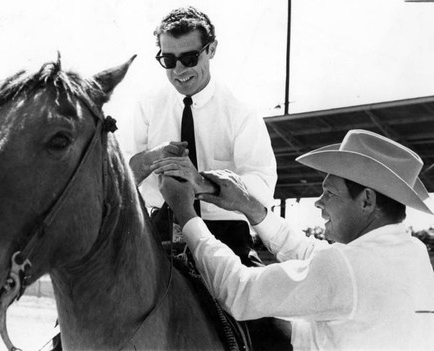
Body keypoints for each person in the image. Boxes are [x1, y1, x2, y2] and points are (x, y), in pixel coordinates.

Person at [159, 129, 434, 350]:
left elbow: (239, 292)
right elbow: (314, 255)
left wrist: (186, 214)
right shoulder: (414, 253)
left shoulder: (346, 266)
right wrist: (250, 207)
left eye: (330, 193)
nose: (319, 203)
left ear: (367, 200)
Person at [128, 6, 277, 267]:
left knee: (255, 307)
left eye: (189, 58)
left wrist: (201, 182)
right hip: (160, 229)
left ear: (211, 50)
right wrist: (154, 157)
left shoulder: (241, 111)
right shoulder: (146, 105)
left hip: (226, 232)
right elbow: (121, 175)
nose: (178, 70)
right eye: (169, 60)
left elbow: (262, 188)